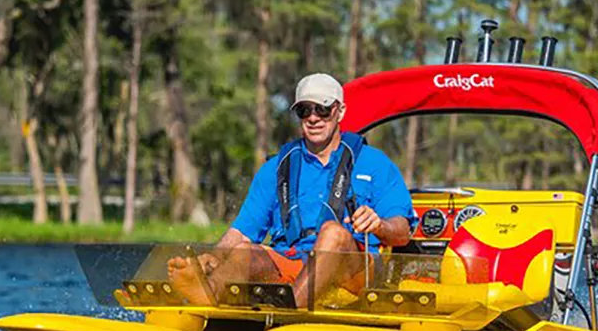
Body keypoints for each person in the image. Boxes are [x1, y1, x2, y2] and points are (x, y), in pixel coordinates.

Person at [168, 72, 416, 307]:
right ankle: (206, 296)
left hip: (356, 269)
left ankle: (290, 311)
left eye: (323, 109)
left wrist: (379, 225)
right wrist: (211, 259)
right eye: (304, 110)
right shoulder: (275, 168)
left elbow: (402, 232)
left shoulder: (375, 163)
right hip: (295, 260)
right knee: (243, 252)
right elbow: (241, 234)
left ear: (340, 112)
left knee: (333, 234)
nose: (313, 117)